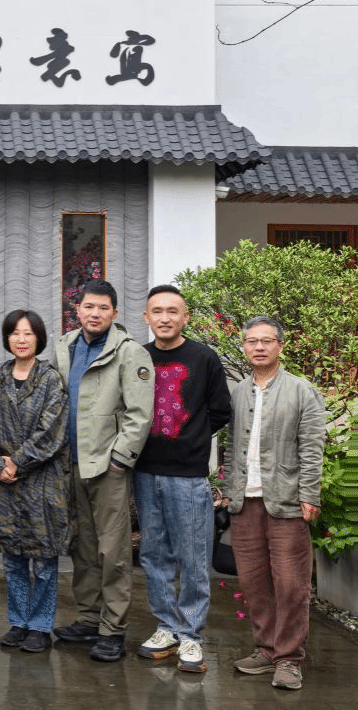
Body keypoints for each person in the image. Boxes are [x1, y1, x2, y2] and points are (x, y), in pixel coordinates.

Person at [52, 278, 153, 662]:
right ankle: (89, 618)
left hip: (108, 467)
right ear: (77, 309)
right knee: (83, 547)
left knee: (113, 551)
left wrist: (120, 459)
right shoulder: (65, 347)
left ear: (114, 313)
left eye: (103, 308)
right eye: (88, 306)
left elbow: (139, 414)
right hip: (71, 464)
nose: (95, 314)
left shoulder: (129, 352)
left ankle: (113, 629)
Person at [133, 285, 231, 672]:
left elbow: (220, 410)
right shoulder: (137, 356)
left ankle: (190, 634)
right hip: (145, 472)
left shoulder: (203, 357)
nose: (165, 318)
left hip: (188, 475)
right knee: (154, 555)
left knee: (193, 557)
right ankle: (166, 627)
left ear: (185, 317)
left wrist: (192, 439)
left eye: (173, 311)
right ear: (146, 317)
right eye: (157, 311)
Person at [225, 316, 325, 691]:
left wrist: (309, 493)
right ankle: (266, 650)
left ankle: (289, 658)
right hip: (244, 501)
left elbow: (312, 448)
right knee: (254, 582)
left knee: (291, 585)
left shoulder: (302, 390)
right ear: (244, 347)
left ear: (280, 346)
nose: (259, 347)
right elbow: (231, 445)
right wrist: (228, 488)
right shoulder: (237, 392)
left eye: (266, 341)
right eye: (252, 341)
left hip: (287, 501)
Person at [0, 309, 70, 654]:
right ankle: (18, 622)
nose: (21, 340)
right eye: (15, 333)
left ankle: (40, 626)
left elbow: (52, 432)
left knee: (45, 558)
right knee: (13, 557)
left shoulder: (51, 379)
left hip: (44, 482)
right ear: (7, 338)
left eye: (28, 333)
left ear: (39, 338)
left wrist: (17, 462)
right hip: (4, 483)